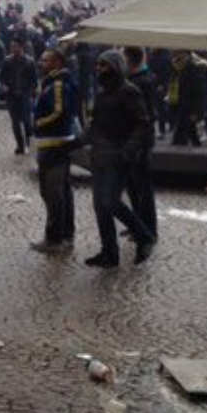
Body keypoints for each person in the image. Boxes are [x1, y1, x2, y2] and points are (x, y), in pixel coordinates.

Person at [83, 50, 156, 268]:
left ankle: (144, 235)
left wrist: (127, 151)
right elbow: (95, 125)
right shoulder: (101, 93)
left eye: (103, 65)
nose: (99, 69)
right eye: (98, 65)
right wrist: (75, 142)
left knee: (111, 201)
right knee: (100, 206)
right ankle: (109, 253)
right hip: (100, 156)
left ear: (115, 66)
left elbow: (142, 124)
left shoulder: (129, 91)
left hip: (118, 156)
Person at [30, 48, 79, 253]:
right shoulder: (52, 81)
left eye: (45, 60)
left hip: (54, 143)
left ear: (57, 63)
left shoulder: (58, 84)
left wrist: (39, 123)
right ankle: (65, 234)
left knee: (52, 192)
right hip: (56, 142)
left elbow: (60, 111)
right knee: (62, 191)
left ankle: (55, 238)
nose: (41, 63)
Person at [123, 47, 159, 239]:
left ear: (130, 60)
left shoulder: (141, 82)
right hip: (133, 142)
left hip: (140, 143)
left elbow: (147, 116)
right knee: (132, 186)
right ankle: (137, 225)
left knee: (142, 187)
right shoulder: (136, 79)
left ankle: (148, 229)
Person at [0, 37, 38, 155]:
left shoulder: (30, 62)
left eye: (15, 46)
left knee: (27, 122)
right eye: (11, 46)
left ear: (21, 47)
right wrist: (4, 85)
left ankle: (30, 146)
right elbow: (1, 77)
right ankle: (20, 145)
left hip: (25, 96)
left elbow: (34, 80)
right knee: (15, 122)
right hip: (11, 96)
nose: (13, 48)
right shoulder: (7, 61)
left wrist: (31, 92)